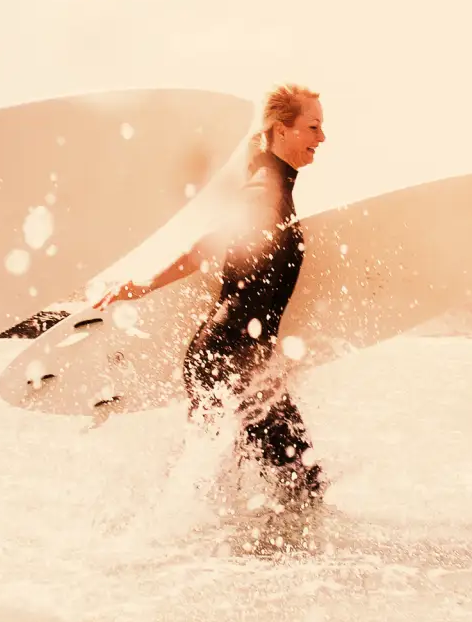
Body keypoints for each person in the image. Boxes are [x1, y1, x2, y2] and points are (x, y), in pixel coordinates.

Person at [100, 85, 326, 519]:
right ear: (283, 130)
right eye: (312, 127)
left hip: (231, 357)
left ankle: (171, 543)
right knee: (302, 484)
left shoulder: (272, 183)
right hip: (230, 358)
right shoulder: (265, 188)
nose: (322, 137)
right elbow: (215, 240)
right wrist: (145, 284)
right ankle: (158, 542)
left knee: (237, 484)